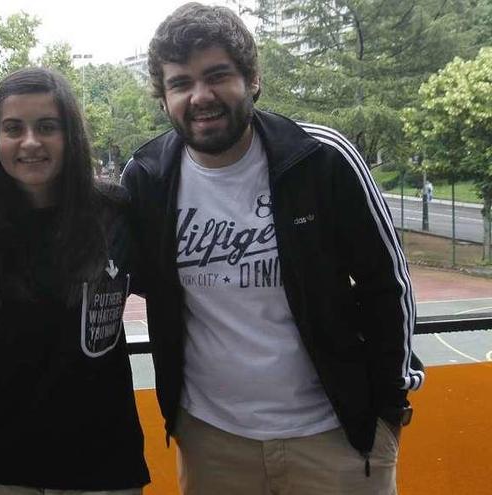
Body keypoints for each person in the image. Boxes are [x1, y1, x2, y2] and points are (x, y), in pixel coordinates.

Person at [121, 3, 424, 494]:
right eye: (180, 83)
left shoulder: (321, 159)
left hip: (335, 437)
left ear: (253, 79)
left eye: (217, 75)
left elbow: (386, 282)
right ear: (163, 98)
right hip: (212, 440)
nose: (201, 96)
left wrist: (389, 406)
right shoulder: (148, 177)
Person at [0, 67, 149, 494]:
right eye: (13, 128)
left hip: (104, 462)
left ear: (70, 135)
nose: (30, 142)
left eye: (47, 127)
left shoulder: (117, 212)